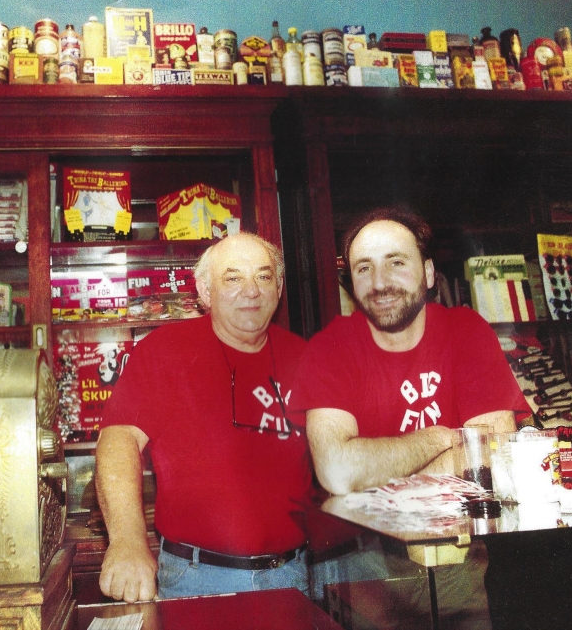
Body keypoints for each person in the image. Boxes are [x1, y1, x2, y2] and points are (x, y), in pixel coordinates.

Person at [291, 207, 529, 628]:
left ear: (429, 272)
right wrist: (442, 438)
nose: (380, 282)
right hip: (368, 571)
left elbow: (493, 453)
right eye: (364, 268)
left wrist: (377, 476)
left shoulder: (466, 331)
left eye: (396, 263)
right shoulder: (329, 349)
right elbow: (338, 471)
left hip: (459, 561)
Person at [95, 233, 313, 604]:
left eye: (263, 277)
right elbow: (119, 441)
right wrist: (128, 541)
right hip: (198, 580)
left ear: (279, 288)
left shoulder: (305, 357)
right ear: (206, 292)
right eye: (232, 278)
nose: (251, 291)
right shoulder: (165, 351)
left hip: (292, 575)